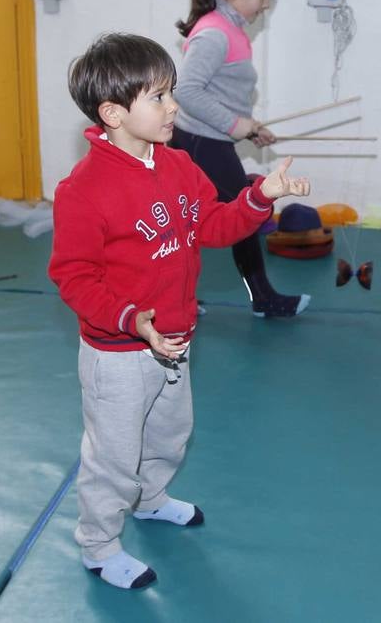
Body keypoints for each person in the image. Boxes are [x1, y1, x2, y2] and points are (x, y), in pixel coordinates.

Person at [49, 33, 311, 590]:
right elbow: (73, 276)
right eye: (160, 97)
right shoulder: (84, 190)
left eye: (171, 93)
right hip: (118, 352)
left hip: (173, 340)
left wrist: (261, 196)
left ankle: (150, 499)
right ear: (114, 113)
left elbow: (212, 226)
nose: (174, 107)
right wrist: (129, 319)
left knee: (169, 433)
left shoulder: (178, 166)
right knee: (113, 455)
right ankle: (98, 544)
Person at [172, 0, 310, 318]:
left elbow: (220, 94)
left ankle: (175, 297)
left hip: (211, 140)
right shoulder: (214, 33)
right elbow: (185, 91)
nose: (265, 4)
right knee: (246, 217)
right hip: (201, 143)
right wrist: (238, 125)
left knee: (191, 222)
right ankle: (263, 299)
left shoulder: (231, 30)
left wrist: (249, 130)